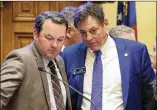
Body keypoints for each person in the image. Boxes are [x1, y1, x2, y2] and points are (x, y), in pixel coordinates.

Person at [62, 2, 155, 110]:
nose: (88, 38)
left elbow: (149, 96)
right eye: (83, 33)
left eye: (93, 30)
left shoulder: (136, 51)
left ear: (105, 23)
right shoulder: (70, 54)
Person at [0, 11, 72, 110]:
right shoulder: (21, 59)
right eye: (49, 38)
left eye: (60, 39)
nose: (55, 45)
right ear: (35, 34)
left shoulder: (59, 60)